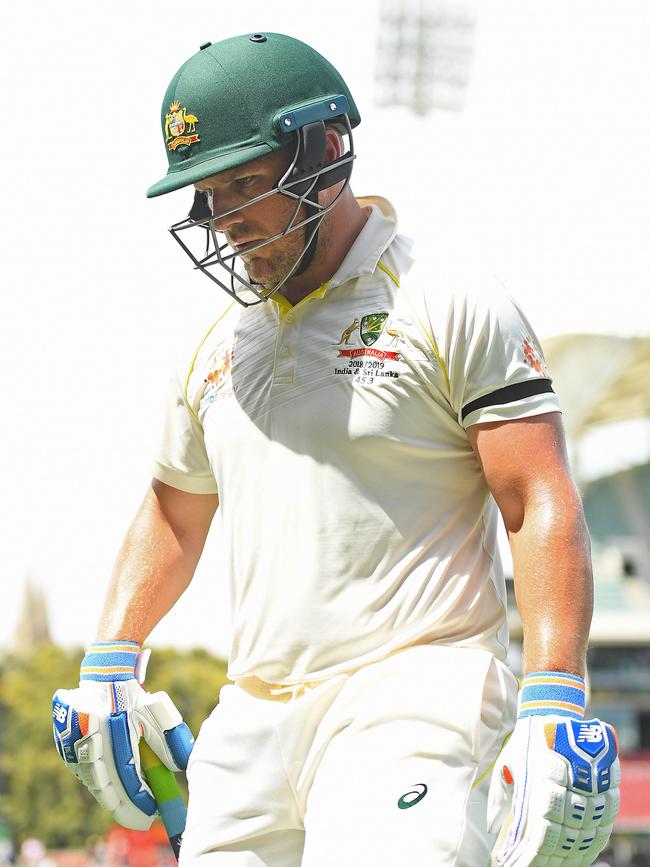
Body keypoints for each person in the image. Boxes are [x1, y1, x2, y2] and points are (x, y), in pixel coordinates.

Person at [52, 32, 621, 867]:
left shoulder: (444, 299)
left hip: (414, 694)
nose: (227, 218)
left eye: (245, 182)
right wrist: (110, 658)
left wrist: (555, 692)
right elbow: (173, 511)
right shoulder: (216, 345)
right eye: (209, 193)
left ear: (324, 149)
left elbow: (534, 496)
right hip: (251, 716)